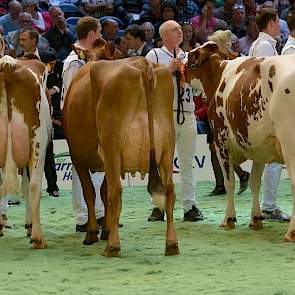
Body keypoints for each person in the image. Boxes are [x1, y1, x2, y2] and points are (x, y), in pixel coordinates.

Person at [146, 20, 203, 222]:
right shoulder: (154, 55)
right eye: (175, 30)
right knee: (162, 163)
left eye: (180, 29)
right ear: (164, 36)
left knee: (188, 162)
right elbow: (145, 80)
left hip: (187, 113)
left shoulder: (188, 57)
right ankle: (158, 207)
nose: (180, 32)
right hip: (163, 115)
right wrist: (168, 69)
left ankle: (190, 206)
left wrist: (195, 78)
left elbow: (196, 89)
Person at [61, 16, 105, 232]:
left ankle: (99, 213)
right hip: (79, 124)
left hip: (94, 120)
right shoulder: (74, 62)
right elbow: (71, 99)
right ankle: (82, 218)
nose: (102, 37)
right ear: (91, 35)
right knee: (81, 170)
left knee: (98, 168)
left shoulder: (90, 60)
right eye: (99, 33)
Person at [249, 8, 290, 221]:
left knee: (266, 159)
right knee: (274, 157)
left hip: (261, 108)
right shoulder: (265, 45)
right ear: (272, 22)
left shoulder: (261, 43)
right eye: (277, 21)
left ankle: (265, 204)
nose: (279, 25)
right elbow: (266, 80)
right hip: (267, 108)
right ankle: (269, 205)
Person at [206, 30, 249, 196]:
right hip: (215, 104)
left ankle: (230, 180)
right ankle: (227, 181)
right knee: (214, 147)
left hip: (219, 106)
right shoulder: (225, 59)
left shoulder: (226, 60)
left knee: (216, 146)